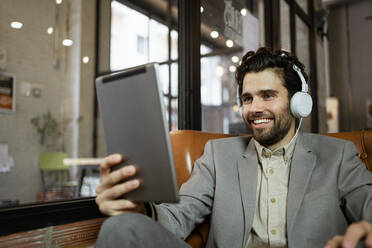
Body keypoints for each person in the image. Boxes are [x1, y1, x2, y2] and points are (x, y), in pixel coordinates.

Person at [95, 47, 372, 248]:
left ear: (298, 102)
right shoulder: (217, 155)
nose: (255, 108)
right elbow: (178, 217)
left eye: (268, 96)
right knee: (121, 226)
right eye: (248, 98)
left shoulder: (338, 154)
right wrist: (139, 207)